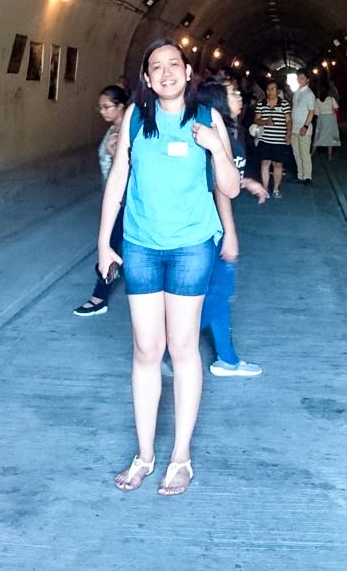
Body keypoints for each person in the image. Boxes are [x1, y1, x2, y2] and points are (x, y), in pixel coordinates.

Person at [98, 39, 240, 496]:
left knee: (181, 348)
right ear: (146, 78)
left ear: (187, 71)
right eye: (155, 67)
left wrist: (217, 147)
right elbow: (118, 178)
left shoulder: (206, 118)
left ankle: (180, 458)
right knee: (145, 348)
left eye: (173, 65)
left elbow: (231, 189)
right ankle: (144, 455)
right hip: (141, 246)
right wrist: (105, 242)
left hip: (190, 248)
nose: (165, 73)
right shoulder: (135, 118)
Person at [195, 76, 267, 376]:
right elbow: (217, 188)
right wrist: (229, 234)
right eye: (233, 93)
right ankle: (165, 345)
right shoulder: (214, 133)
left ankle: (226, 358)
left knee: (219, 293)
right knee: (217, 294)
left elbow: (228, 178)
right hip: (210, 228)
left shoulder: (228, 131)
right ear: (218, 102)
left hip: (213, 227)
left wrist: (247, 182)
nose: (240, 96)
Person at [74, 85, 130, 316]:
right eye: (100, 107)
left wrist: (113, 152)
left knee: (110, 245)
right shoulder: (115, 129)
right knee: (116, 245)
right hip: (114, 198)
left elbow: (129, 165)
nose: (102, 112)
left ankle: (99, 297)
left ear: (120, 106)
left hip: (124, 200)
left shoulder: (126, 130)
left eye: (107, 107)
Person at [253, 80, 292, 198]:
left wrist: (288, 134)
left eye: (273, 89)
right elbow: (256, 119)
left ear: (278, 91)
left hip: (279, 140)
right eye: (268, 89)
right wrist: (265, 122)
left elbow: (288, 120)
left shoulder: (284, 104)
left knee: (277, 164)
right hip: (265, 139)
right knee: (265, 163)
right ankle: (265, 188)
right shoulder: (261, 104)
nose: (270, 91)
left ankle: (275, 189)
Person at [290, 72, 317, 185]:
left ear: (307, 80)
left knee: (304, 153)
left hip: (304, 128)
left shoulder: (309, 94)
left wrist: (306, 126)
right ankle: (300, 174)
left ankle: (307, 176)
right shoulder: (296, 93)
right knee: (296, 152)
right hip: (294, 128)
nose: (299, 80)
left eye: (302, 78)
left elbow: (311, 111)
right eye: (298, 78)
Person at [312, 81, 341, 160]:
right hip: (330, 118)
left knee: (318, 135)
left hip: (322, 118)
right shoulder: (331, 99)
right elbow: (336, 107)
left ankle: (312, 152)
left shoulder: (317, 100)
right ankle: (329, 155)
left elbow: (316, 112)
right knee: (330, 137)